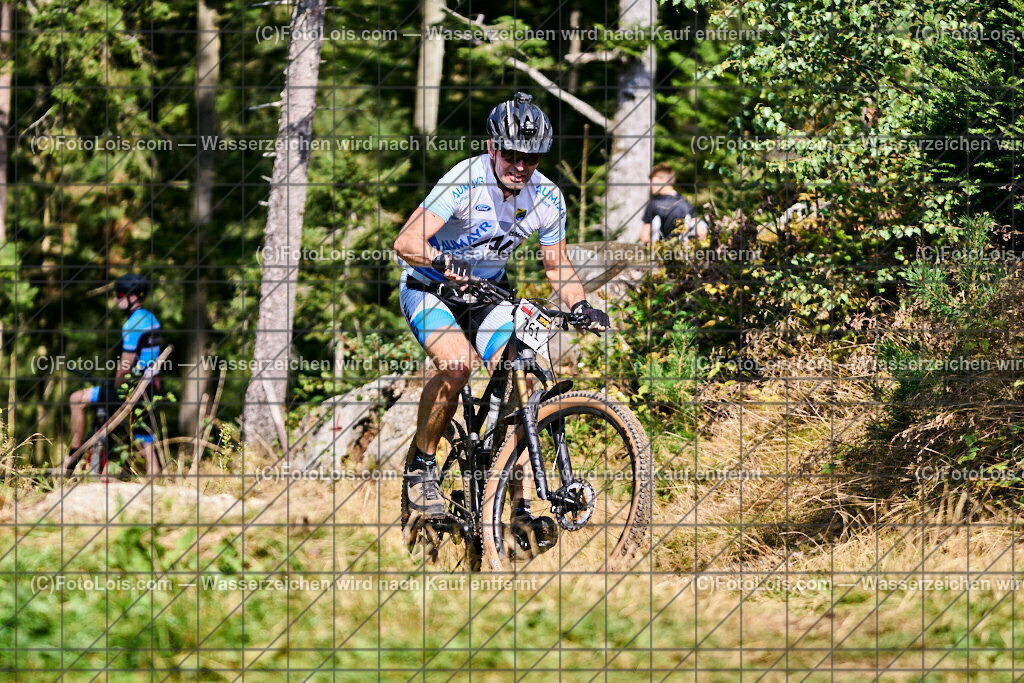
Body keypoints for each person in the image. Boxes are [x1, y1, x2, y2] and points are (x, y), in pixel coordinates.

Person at [392, 91, 610, 542]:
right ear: (493, 147)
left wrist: (580, 304)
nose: (520, 165)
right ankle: (422, 467)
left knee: (522, 375)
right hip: (428, 285)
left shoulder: (547, 196)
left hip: (486, 293)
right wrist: (441, 266)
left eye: (531, 157)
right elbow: (406, 242)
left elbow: (557, 265)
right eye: (510, 153)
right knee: (456, 365)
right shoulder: (466, 180)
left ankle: (516, 507)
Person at [66, 273, 163, 477]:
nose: (115, 299)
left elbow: (125, 366)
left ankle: (71, 459)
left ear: (134, 296)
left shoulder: (132, 325)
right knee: (145, 442)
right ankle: (157, 483)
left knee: (76, 399)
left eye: (119, 294)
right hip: (149, 388)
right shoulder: (151, 319)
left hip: (132, 390)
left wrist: (116, 386)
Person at [640, 164, 705, 244]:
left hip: (660, 252)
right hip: (682, 252)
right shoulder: (684, 202)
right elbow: (700, 232)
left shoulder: (654, 204)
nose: (650, 184)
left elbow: (644, 237)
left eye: (652, 180)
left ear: (663, 180)